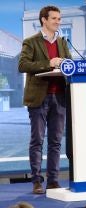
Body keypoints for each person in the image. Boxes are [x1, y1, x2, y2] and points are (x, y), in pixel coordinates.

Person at [18, 5, 72, 194]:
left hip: (60, 97)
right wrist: (48, 64)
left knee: (56, 141)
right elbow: (23, 64)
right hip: (39, 98)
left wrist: (66, 64)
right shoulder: (31, 42)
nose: (59, 21)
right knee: (37, 140)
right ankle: (37, 181)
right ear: (44, 20)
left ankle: (53, 181)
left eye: (59, 18)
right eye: (55, 18)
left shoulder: (63, 43)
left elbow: (70, 64)